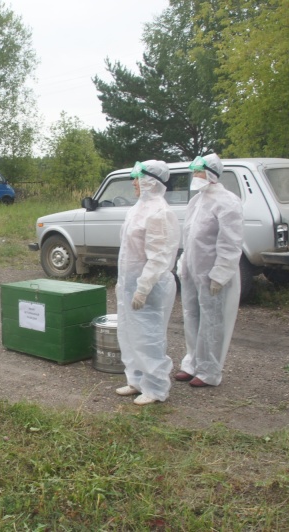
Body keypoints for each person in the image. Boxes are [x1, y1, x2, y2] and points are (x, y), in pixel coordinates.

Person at [115, 160, 181, 405]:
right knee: (129, 333)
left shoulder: (159, 213)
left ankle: (155, 387)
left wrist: (143, 288)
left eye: (137, 178)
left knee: (148, 336)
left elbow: (159, 256)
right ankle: (136, 380)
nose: (133, 182)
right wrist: (126, 284)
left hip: (149, 287)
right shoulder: (137, 208)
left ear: (150, 181)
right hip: (129, 283)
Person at [175, 153, 243, 387]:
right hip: (193, 271)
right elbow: (190, 236)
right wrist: (183, 261)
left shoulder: (228, 201)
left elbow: (231, 242)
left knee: (212, 320)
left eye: (199, 172)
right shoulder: (198, 200)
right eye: (194, 172)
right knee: (191, 315)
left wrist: (221, 273)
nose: (195, 176)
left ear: (212, 174)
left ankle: (209, 370)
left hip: (212, 273)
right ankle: (192, 363)